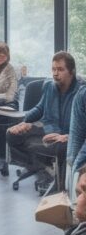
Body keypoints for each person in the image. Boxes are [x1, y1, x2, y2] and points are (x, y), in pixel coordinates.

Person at [7, 51, 79, 185]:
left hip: (66, 135)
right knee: (11, 134)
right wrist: (24, 121)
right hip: (47, 128)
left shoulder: (81, 92)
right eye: (53, 69)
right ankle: (43, 168)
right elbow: (40, 108)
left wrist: (69, 136)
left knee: (62, 148)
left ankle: (48, 172)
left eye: (60, 69)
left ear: (71, 71)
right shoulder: (50, 86)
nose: (55, 73)